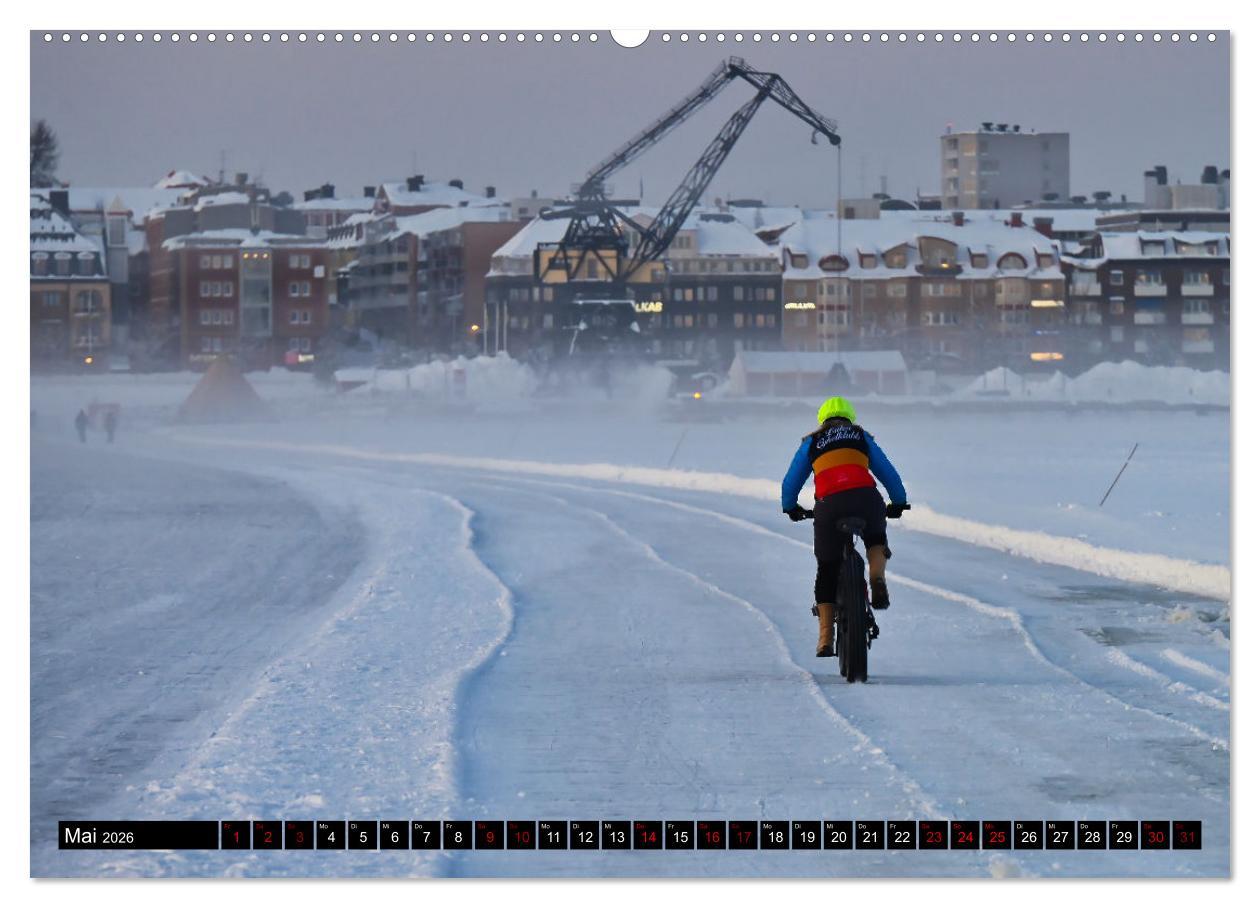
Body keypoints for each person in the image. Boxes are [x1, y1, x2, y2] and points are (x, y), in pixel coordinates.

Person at [781, 396, 909, 657]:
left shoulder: (811, 442)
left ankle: (825, 638)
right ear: (850, 417)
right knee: (875, 538)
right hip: (866, 499)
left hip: (830, 505)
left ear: (822, 420)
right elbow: (888, 472)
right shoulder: (861, 436)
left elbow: (791, 481)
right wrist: (898, 502)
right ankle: (876, 577)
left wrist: (791, 507)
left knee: (827, 567)